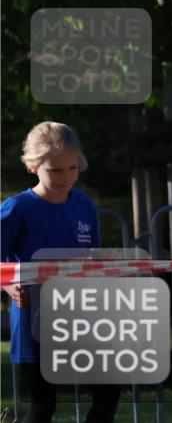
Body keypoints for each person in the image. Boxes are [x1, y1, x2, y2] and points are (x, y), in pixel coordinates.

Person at [0, 122, 122, 423]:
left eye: (72, 168)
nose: (65, 177)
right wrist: (7, 285)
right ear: (32, 166)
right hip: (35, 320)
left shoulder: (83, 204)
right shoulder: (17, 208)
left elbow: (91, 255)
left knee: (109, 393)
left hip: (82, 315)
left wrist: (108, 262)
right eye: (55, 170)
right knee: (44, 405)